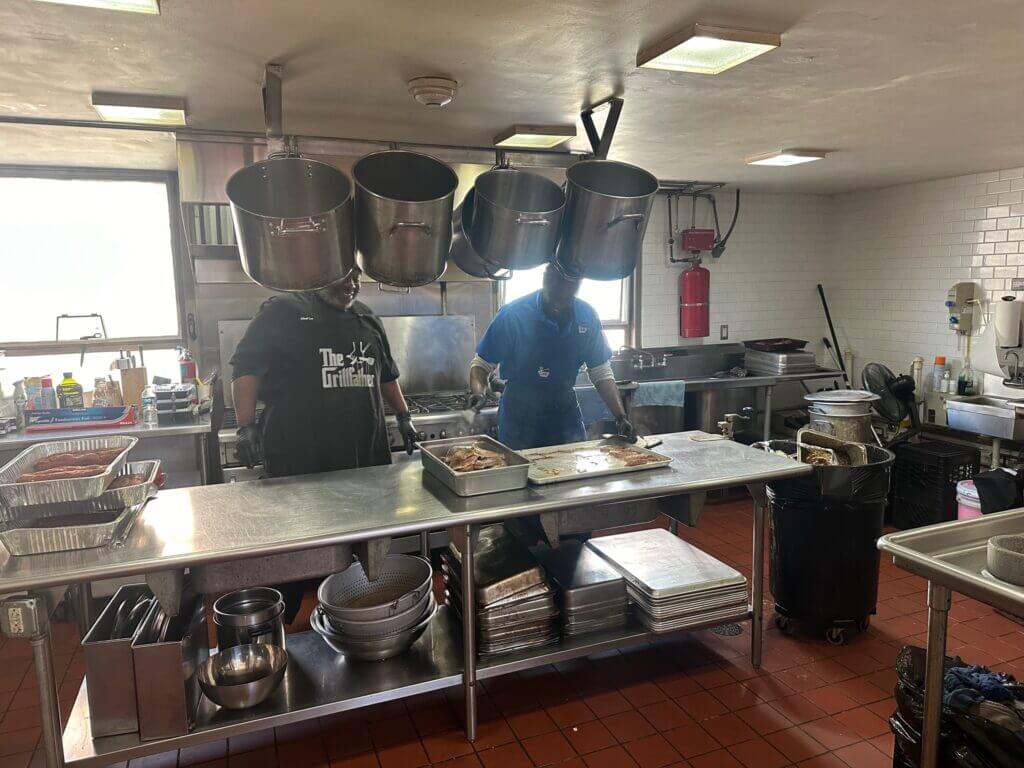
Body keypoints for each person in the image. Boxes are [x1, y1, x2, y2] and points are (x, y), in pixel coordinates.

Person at [230, 266, 418, 477]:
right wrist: (245, 428)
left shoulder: (368, 318)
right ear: (321, 274)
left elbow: (386, 376)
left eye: (356, 277)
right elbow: (246, 368)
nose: (352, 285)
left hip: (364, 449)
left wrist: (404, 416)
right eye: (343, 277)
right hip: (300, 454)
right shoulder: (282, 311)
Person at [468, 264, 634, 450]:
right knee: (522, 475)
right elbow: (481, 364)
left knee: (573, 473)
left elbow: (600, 371)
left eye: (565, 300)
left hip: (565, 415)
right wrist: (478, 392)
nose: (558, 307)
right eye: (554, 300)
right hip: (519, 418)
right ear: (546, 280)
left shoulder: (586, 316)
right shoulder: (513, 315)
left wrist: (620, 416)